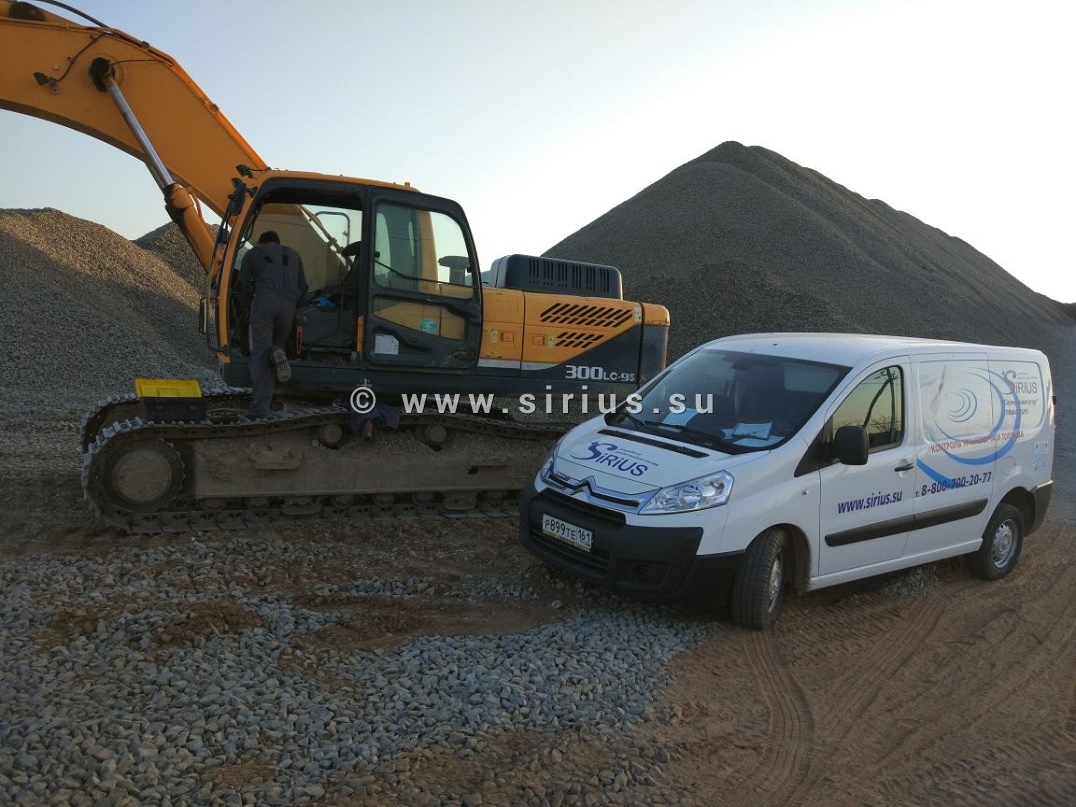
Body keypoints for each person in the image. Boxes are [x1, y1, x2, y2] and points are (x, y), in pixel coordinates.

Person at [237, 230, 308, 417]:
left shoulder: (254, 253)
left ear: (261, 242)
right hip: (289, 307)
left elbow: (241, 283)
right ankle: (277, 351)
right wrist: (293, 304)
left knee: (260, 354)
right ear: (278, 241)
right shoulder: (295, 255)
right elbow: (303, 287)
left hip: (264, 305)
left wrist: (248, 307)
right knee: (276, 346)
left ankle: (260, 409)